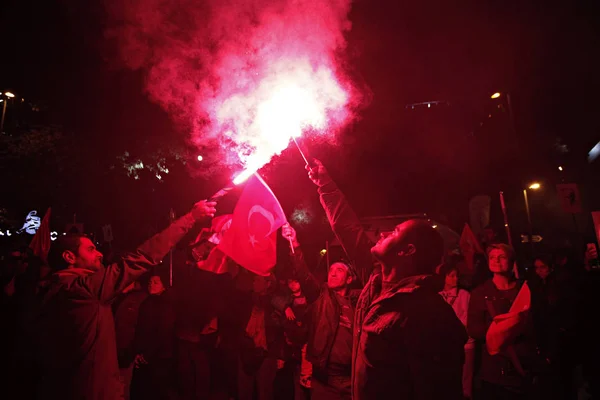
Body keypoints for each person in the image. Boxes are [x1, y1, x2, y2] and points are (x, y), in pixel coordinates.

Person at [306, 159, 467, 400]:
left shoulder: (430, 313)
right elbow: (348, 230)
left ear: (407, 251)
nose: (382, 233)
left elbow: (437, 389)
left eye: (394, 233)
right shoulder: (375, 283)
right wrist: (325, 184)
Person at [36, 200, 216, 400]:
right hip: (93, 390)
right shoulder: (83, 289)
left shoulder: (50, 288)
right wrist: (190, 218)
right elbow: (142, 257)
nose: (99, 253)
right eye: (90, 250)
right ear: (69, 257)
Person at [281, 224, 361, 400]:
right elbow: (303, 274)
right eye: (330, 270)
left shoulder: (359, 303)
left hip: (353, 378)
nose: (332, 274)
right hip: (325, 379)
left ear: (349, 279)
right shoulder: (319, 296)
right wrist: (294, 243)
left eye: (339, 271)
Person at [467, 243, 538, 399]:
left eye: (502, 257)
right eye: (492, 257)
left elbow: (538, 324)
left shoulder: (525, 289)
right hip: (495, 369)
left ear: (511, 261)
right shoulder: (480, 293)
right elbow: (474, 329)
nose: (496, 261)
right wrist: (502, 332)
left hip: (524, 365)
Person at [130, 273, 176, 400]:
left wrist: (147, 354)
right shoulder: (147, 301)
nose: (152, 284)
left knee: (155, 390)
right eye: (150, 282)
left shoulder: (166, 305)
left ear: (164, 286)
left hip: (159, 356)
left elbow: (163, 331)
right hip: (146, 353)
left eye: (156, 282)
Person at [438, 263, 476, 399]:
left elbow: (467, 318)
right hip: (445, 345)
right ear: (444, 277)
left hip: (465, 344)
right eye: (451, 276)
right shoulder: (438, 296)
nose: (455, 279)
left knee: (465, 379)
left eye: (457, 276)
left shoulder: (464, 295)